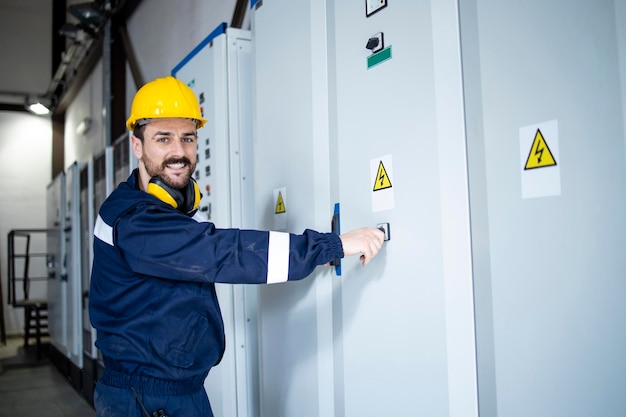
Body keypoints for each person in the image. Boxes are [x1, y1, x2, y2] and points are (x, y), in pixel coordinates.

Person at [90, 75, 384, 417]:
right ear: (137, 145)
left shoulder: (148, 209)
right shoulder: (138, 220)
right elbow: (224, 252)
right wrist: (330, 246)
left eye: (188, 139)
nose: (178, 152)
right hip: (147, 400)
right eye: (163, 139)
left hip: (174, 392)